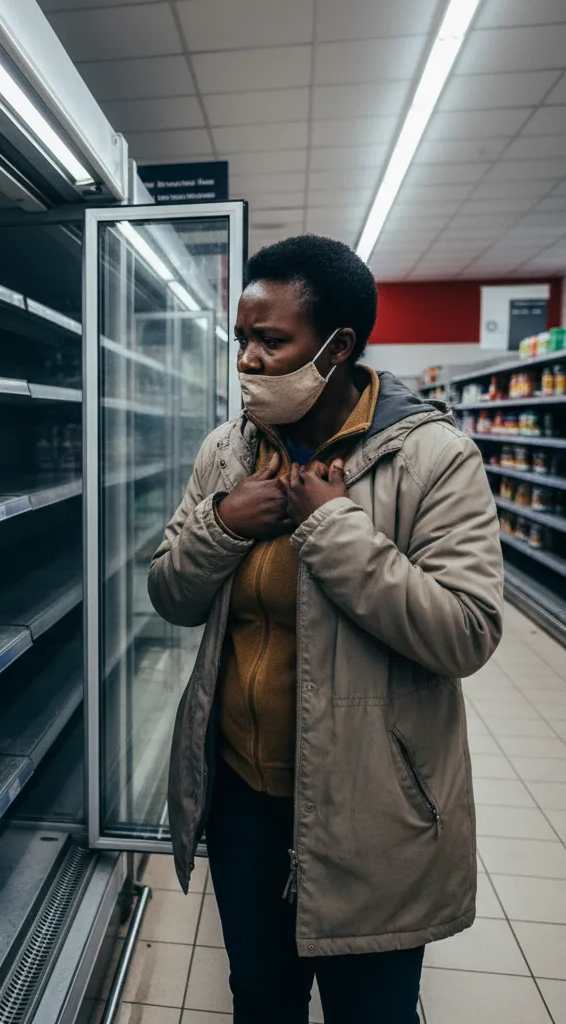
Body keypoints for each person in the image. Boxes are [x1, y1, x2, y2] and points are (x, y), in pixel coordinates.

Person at [148, 234, 504, 1024]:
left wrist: (333, 527)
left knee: (370, 1012)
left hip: (370, 812)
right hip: (243, 802)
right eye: (241, 338)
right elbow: (169, 593)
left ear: (338, 349)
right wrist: (222, 526)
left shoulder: (436, 460)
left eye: (272, 341)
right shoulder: (227, 453)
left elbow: (468, 632)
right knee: (262, 1002)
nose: (247, 359)